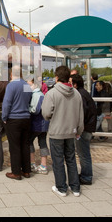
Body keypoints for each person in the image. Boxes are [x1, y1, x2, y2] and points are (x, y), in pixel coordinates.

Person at [42, 66, 84, 197]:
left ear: (56, 77)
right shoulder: (76, 93)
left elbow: (46, 113)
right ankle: (75, 187)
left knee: (58, 160)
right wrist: (79, 130)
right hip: (71, 132)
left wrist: (52, 116)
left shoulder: (52, 93)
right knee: (71, 159)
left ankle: (61, 187)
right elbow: (80, 115)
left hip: (57, 131)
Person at [2, 65, 32, 180]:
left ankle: (16, 172)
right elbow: (29, 100)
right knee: (25, 145)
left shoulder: (11, 85)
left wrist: (4, 117)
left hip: (14, 119)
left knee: (14, 146)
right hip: (26, 118)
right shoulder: (26, 85)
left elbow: (7, 103)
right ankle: (26, 171)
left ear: (11, 74)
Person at [70, 73, 96, 185]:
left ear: (75, 85)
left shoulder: (80, 95)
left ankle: (86, 177)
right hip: (87, 127)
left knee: (83, 154)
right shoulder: (83, 93)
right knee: (83, 153)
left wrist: (77, 128)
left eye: (70, 83)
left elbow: (82, 114)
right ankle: (86, 174)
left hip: (84, 129)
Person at [27, 78, 50, 175]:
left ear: (34, 84)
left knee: (29, 141)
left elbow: (35, 110)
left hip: (37, 123)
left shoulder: (36, 95)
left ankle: (32, 163)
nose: (28, 87)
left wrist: (27, 108)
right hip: (44, 123)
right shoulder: (41, 94)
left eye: (29, 84)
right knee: (42, 142)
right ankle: (43, 165)